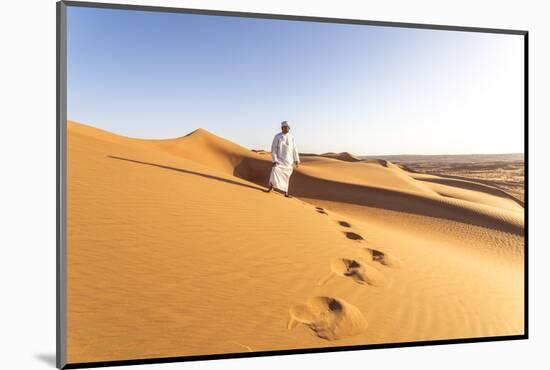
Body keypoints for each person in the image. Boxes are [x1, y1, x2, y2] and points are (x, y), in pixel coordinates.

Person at [266, 121, 300, 197]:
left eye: (288, 127)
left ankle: (286, 192)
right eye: (285, 127)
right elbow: (274, 149)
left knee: (286, 177)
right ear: (282, 128)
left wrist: (296, 159)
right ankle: (271, 187)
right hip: (279, 160)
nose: (287, 128)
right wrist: (274, 159)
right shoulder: (277, 136)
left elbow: (295, 149)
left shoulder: (292, 137)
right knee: (274, 170)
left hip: (289, 161)